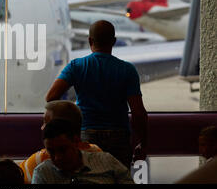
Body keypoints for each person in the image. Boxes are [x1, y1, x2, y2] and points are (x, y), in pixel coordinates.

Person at [45, 20, 147, 168]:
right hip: (119, 137)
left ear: (90, 41)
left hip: (86, 136)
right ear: (113, 41)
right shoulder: (127, 70)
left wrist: (72, 116)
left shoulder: (77, 66)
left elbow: (51, 97)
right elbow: (138, 113)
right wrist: (143, 143)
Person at [19, 100, 102, 183]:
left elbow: (17, 174)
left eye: (46, 123)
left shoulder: (42, 159)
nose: (42, 128)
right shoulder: (98, 152)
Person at [32, 119, 134, 184]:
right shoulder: (43, 173)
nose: (57, 157)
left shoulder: (106, 161)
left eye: (63, 150)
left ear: (76, 142)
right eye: (51, 152)